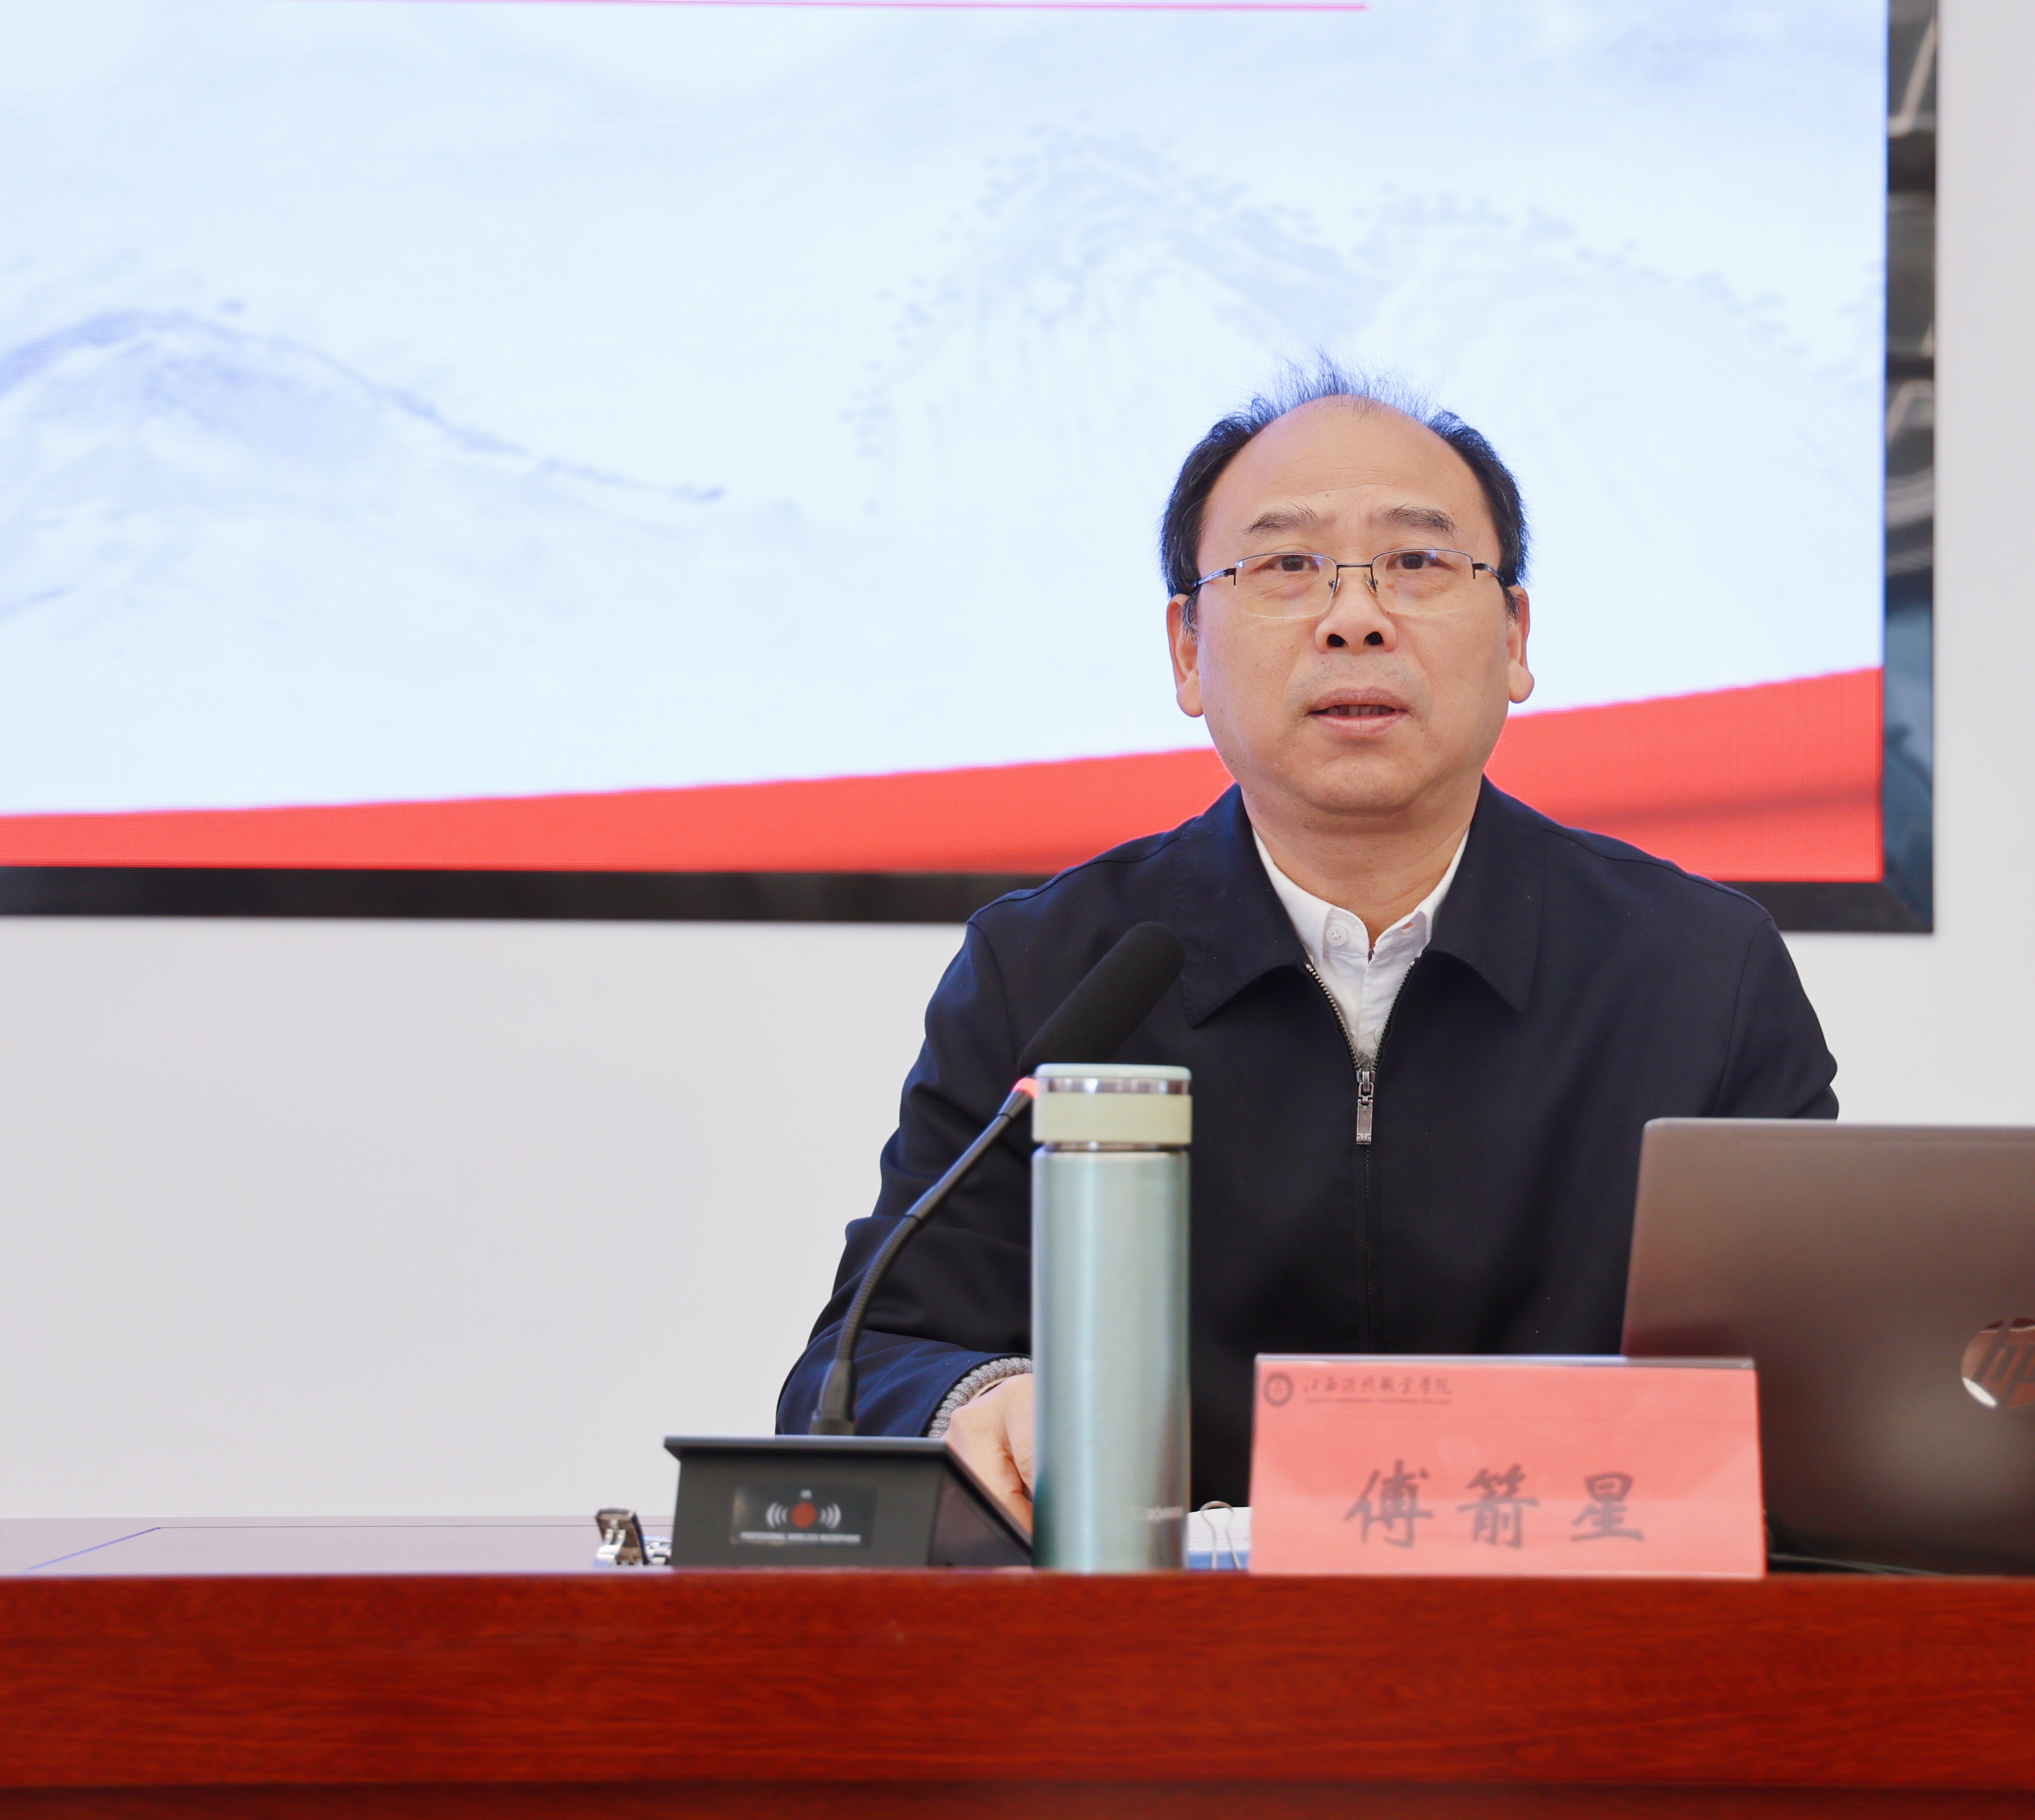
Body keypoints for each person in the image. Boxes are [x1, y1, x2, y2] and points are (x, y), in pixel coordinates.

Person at [777, 367, 1839, 1522]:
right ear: (1188, 650)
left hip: (1577, 1613)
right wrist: (979, 1399)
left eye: (1418, 561)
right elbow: (866, 1360)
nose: (1355, 617)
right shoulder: (1051, 970)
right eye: (1285, 566)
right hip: (1165, 1625)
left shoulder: (1700, 971)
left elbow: (1822, 1382)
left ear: (1516, 637)